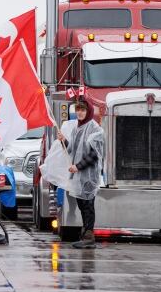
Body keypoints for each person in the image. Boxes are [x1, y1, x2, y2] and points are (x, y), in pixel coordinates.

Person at [56, 100, 104, 249]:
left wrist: (78, 167)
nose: (80, 113)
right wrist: (64, 140)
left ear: (88, 111)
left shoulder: (94, 129)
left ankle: (89, 236)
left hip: (89, 175)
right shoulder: (78, 128)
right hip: (79, 175)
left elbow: (94, 154)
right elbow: (74, 150)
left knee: (88, 205)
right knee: (82, 204)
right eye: (78, 110)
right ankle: (85, 235)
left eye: (83, 110)